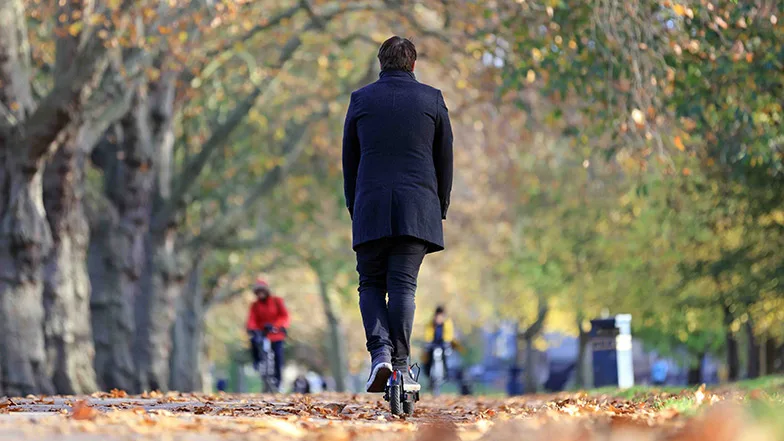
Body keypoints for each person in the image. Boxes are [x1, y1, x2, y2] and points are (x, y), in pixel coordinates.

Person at [342, 36, 454, 394]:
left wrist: (353, 204)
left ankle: (381, 356)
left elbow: (349, 161)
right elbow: (445, 159)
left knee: (371, 283)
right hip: (418, 208)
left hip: (371, 206)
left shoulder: (360, 100)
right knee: (403, 285)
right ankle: (402, 367)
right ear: (413, 64)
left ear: (380, 63)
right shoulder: (432, 99)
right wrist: (441, 206)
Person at [246, 278, 290, 387]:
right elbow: (252, 319)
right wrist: (252, 328)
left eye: (262, 291)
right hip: (262, 332)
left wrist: (276, 326)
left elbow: (284, 316)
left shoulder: (277, 301)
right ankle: (257, 362)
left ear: (266, 291)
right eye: (258, 292)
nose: (260, 294)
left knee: (278, 355)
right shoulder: (255, 305)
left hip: (276, 333)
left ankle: (278, 380)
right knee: (254, 342)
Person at [423, 306, 455, 379]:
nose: (438, 319)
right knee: (427, 359)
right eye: (437, 316)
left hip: (443, 344)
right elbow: (428, 335)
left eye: (440, 316)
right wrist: (428, 342)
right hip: (433, 345)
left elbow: (449, 335)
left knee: (446, 358)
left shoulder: (447, 323)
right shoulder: (431, 323)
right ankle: (428, 375)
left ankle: (446, 374)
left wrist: (446, 342)